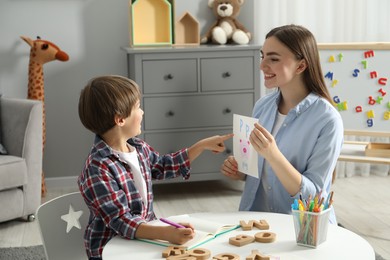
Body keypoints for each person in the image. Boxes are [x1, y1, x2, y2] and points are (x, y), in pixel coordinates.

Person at [77, 75, 233, 260]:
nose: (142, 112)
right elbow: (121, 221)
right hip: (112, 249)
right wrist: (165, 233)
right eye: (137, 107)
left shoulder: (138, 148)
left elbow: (163, 165)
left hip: (144, 240)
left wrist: (201, 146)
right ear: (120, 120)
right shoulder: (97, 169)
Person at [220, 24, 343, 224]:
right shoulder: (262, 106)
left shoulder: (328, 120)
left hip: (302, 229)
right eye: (263, 56)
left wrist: (273, 155)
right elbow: (257, 173)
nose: (262, 66)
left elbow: (313, 199)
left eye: (273, 59)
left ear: (301, 66)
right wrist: (241, 171)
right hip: (256, 221)